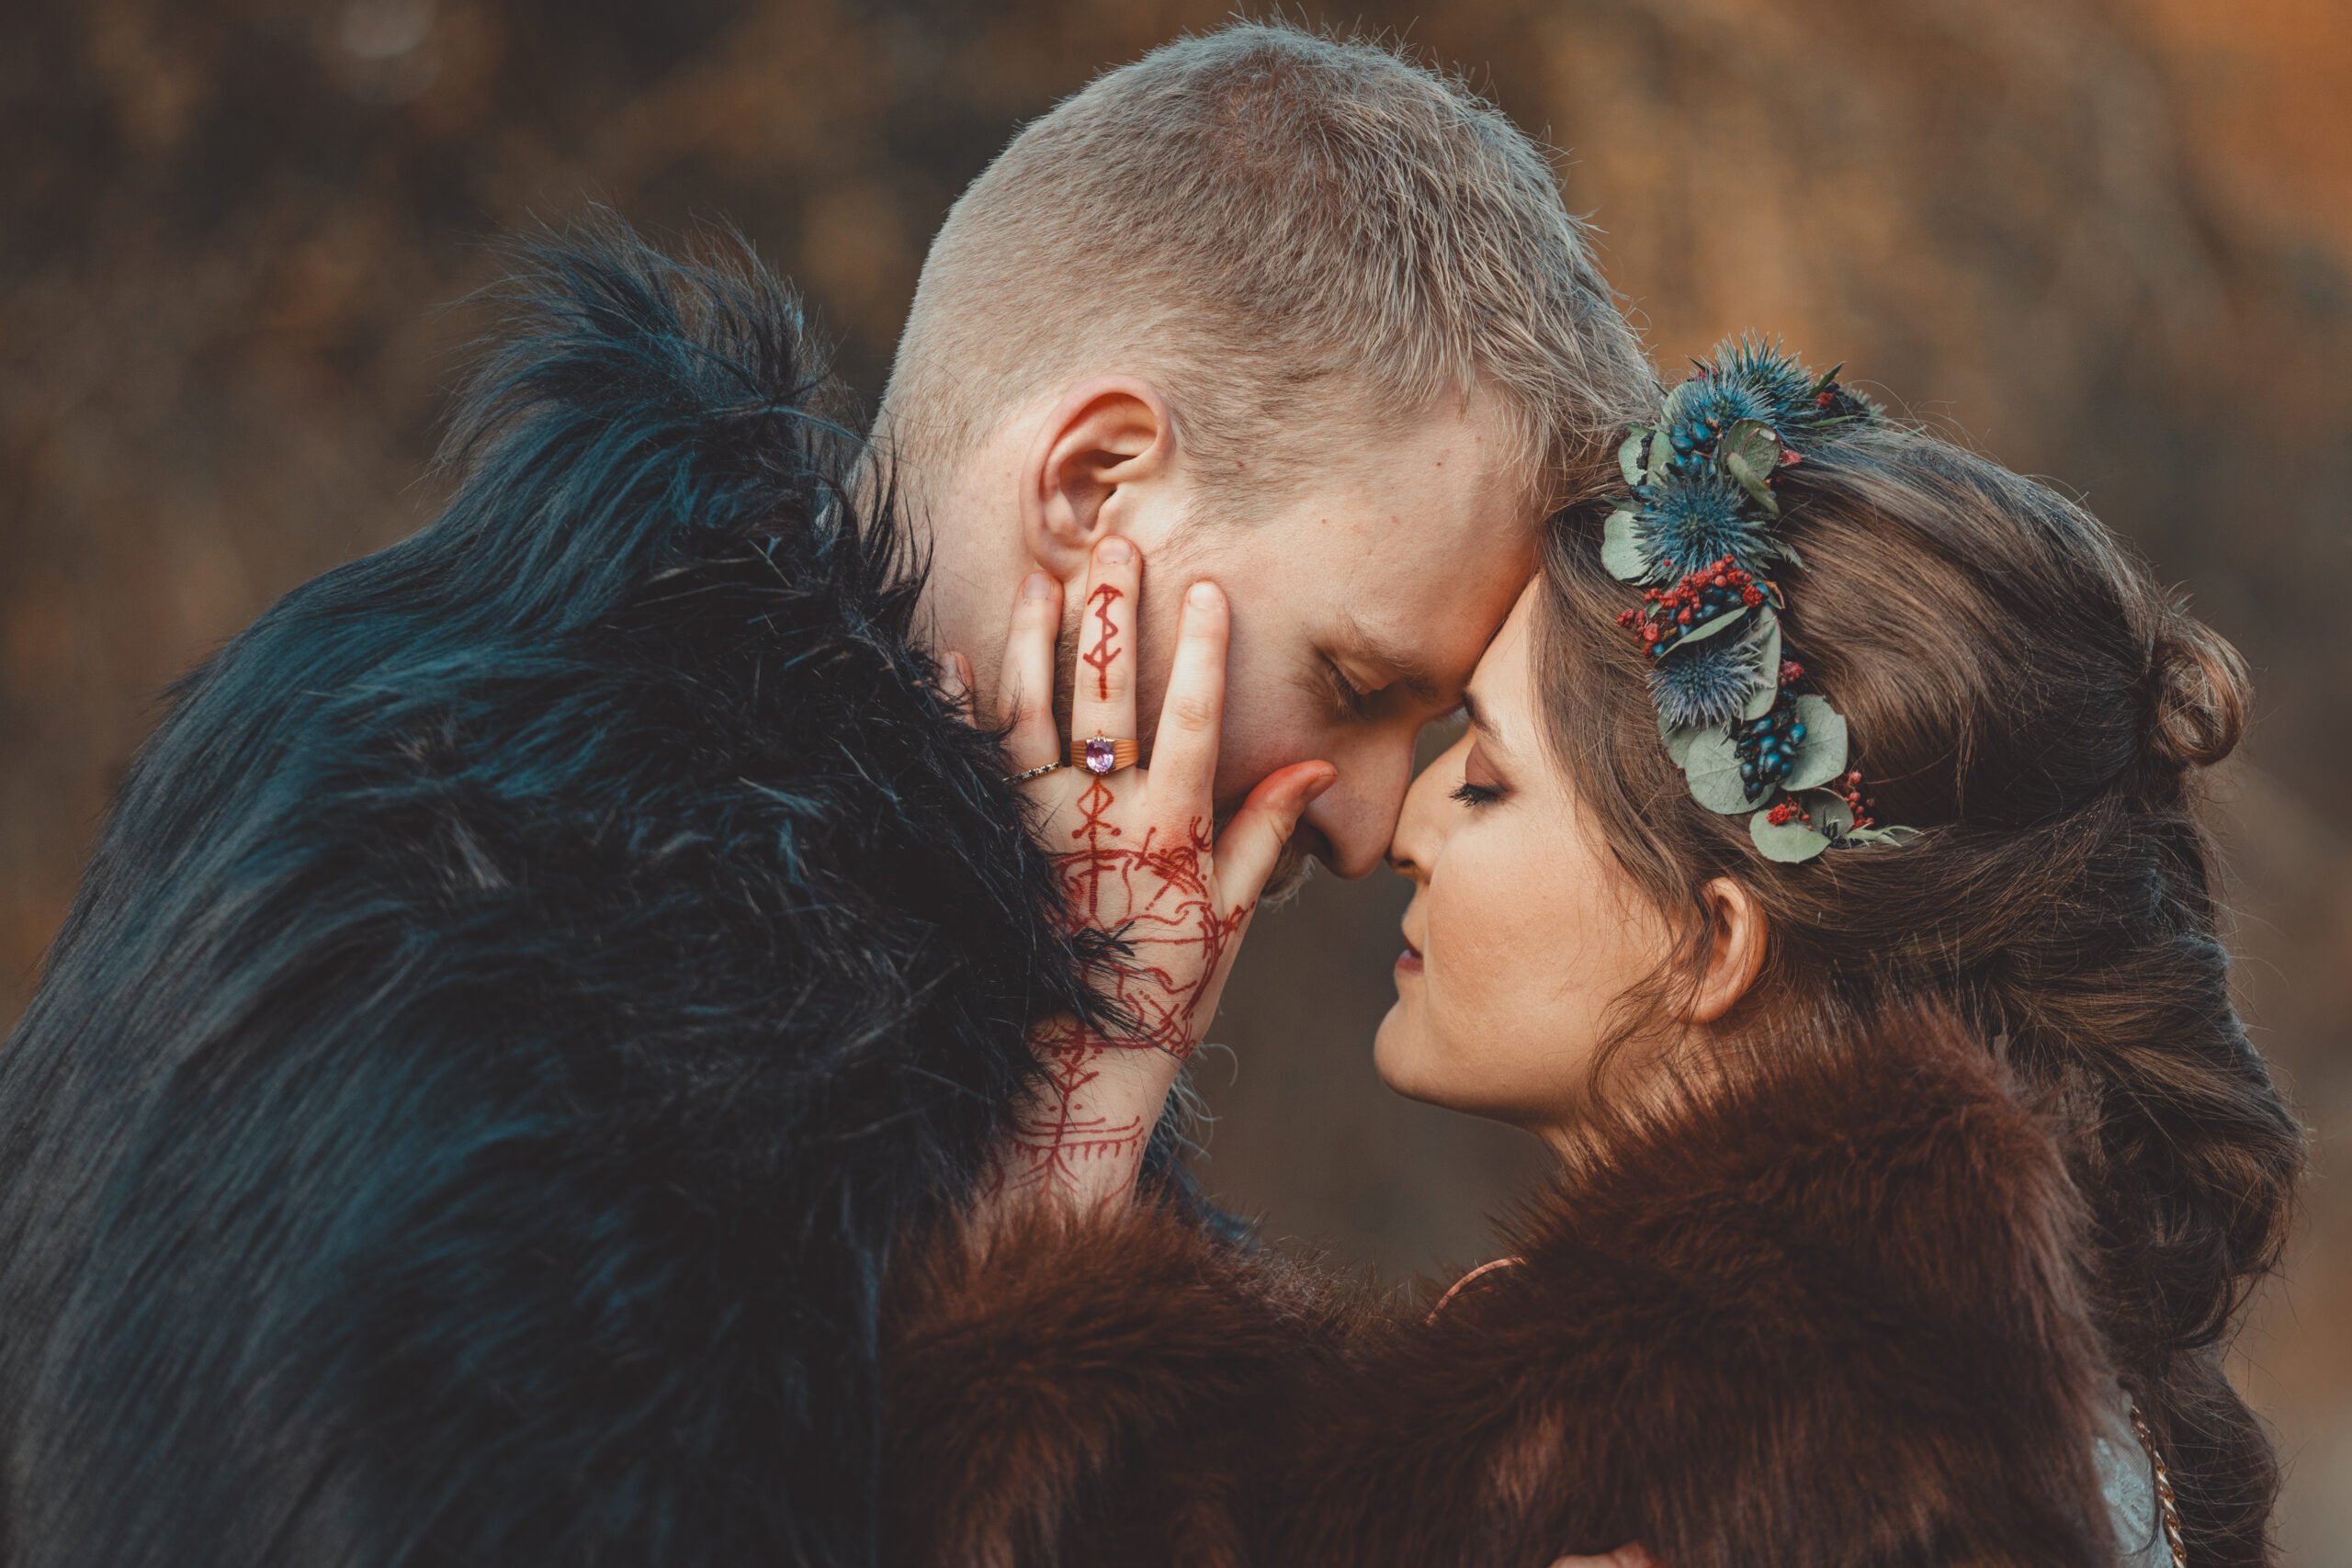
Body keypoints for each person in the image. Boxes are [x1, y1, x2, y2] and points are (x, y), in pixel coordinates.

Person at [0, 22, 1648, 1568]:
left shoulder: (844, 950)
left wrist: (1072, 1143)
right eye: (1358, 689)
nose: (1365, 822)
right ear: (1094, 487)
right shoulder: (513, 919)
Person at [883, 343, 2304, 1567]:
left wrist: (1088, 1075)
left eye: (1486, 779)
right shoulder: (1986, 1385)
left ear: (1711, 942)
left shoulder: (1733, 1453)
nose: (1396, 830)